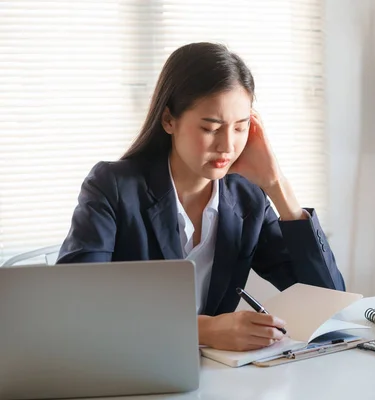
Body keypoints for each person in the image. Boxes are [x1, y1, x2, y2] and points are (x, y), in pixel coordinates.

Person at [56, 42, 345, 352]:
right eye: (211, 127)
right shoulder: (113, 186)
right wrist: (203, 329)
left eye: (240, 127)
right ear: (169, 120)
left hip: (218, 375)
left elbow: (329, 299)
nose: (227, 145)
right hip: (128, 365)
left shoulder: (247, 199)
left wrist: (277, 185)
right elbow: (77, 304)